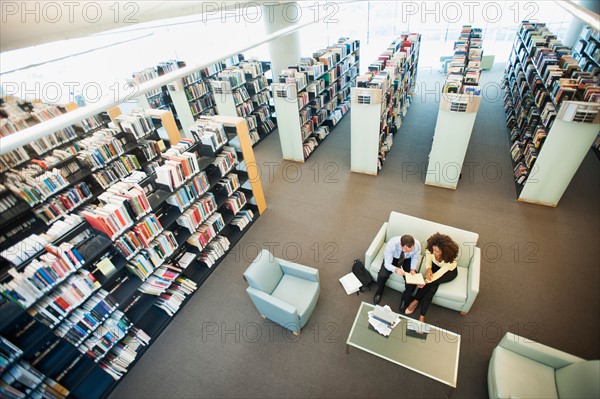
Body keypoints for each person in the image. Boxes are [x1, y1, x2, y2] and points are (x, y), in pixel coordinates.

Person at [404, 233, 459, 323]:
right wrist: (429, 269)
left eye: (437, 252)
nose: (434, 253)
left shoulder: (451, 260)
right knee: (430, 285)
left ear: (444, 252)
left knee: (431, 285)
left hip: (448, 272)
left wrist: (426, 281)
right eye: (433, 250)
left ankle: (416, 303)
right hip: (435, 266)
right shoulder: (431, 249)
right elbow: (428, 260)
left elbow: (440, 273)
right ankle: (421, 312)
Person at [373, 234, 421, 312]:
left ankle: (405, 298)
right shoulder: (392, 243)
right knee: (382, 275)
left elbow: (415, 258)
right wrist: (396, 269)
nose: (406, 252)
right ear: (400, 244)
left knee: (412, 281)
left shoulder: (417, 245)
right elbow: (387, 263)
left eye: (409, 251)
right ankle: (380, 290)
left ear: (413, 245)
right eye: (404, 250)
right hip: (393, 258)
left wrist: (412, 269)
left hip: (407, 260)